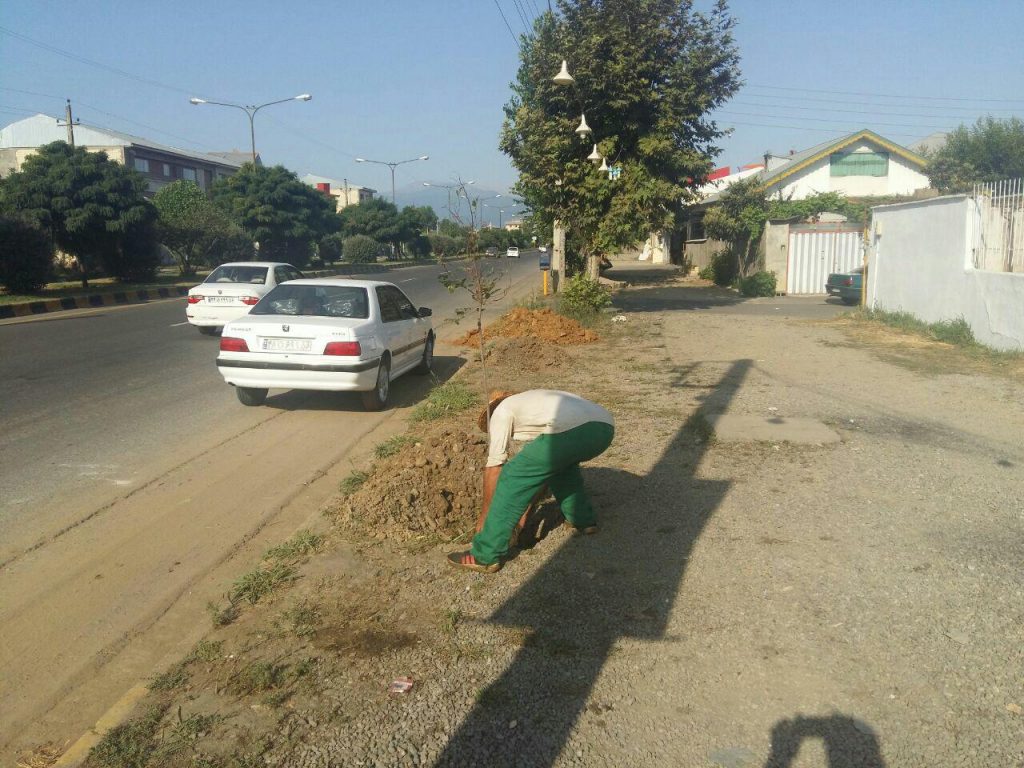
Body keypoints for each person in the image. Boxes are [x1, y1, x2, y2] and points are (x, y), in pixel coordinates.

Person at [447, 390, 615, 573]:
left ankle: (485, 554)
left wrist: (485, 516)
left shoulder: (501, 411)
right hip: (604, 428)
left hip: (572, 428)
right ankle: (582, 520)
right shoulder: (535, 404)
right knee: (562, 470)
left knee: (512, 475)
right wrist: (523, 514)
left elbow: (494, 468)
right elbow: (539, 474)